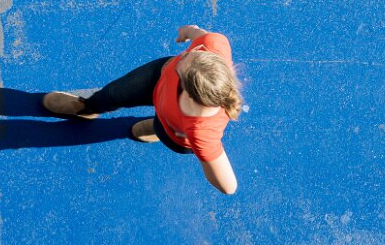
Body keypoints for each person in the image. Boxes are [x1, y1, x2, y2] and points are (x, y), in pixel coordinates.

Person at [43, 25, 243, 194]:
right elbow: (198, 34)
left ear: (189, 92)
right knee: (115, 92)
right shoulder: (212, 45)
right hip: (156, 79)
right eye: (190, 53)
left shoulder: (201, 133)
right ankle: (87, 107)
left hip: (174, 131)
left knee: (161, 126)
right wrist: (188, 31)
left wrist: (206, 157)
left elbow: (229, 186)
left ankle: (156, 127)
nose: (182, 57)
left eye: (183, 62)